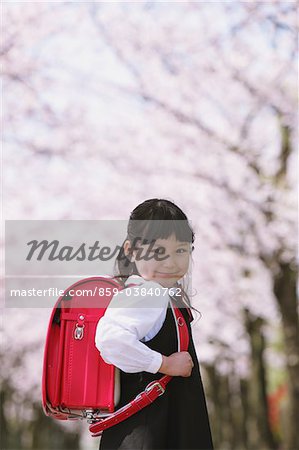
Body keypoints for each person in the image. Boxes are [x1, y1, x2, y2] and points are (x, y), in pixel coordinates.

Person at [95, 198, 214, 450]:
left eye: (181, 250)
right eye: (158, 250)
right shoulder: (146, 293)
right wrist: (165, 363)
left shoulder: (160, 295)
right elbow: (110, 340)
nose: (170, 262)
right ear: (131, 250)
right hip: (149, 435)